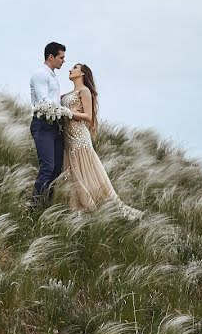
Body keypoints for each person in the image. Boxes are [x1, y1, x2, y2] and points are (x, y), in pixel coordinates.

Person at [60, 63, 142, 219]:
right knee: (72, 172)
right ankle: (75, 209)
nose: (70, 70)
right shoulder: (66, 94)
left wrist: (68, 112)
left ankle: (94, 207)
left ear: (82, 73)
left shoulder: (84, 91)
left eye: (75, 68)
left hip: (79, 138)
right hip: (68, 138)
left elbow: (88, 117)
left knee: (85, 172)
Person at [29, 42, 68, 209]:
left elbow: (55, 99)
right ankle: (34, 207)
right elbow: (44, 100)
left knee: (56, 169)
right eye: (61, 57)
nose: (63, 61)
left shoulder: (52, 76)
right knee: (48, 166)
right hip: (43, 123)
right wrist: (66, 112)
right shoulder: (40, 75)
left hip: (55, 126)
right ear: (51, 57)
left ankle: (47, 206)